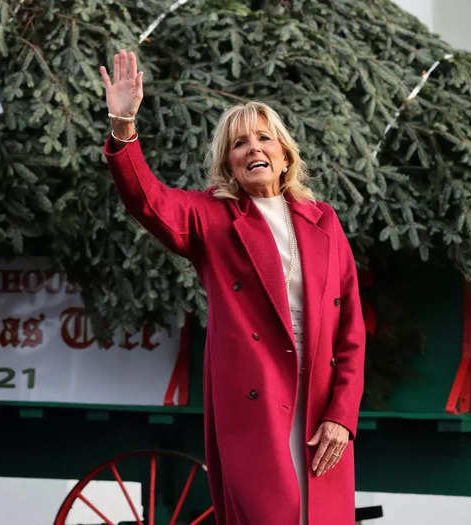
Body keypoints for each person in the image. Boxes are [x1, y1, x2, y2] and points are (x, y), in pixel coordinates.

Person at [100, 50, 365, 525]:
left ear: (285, 156)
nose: (253, 148)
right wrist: (124, 126)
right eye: (240, 143)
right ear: (229, 161)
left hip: (320, 399)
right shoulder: (213, 218)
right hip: (255, 401)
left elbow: (351, 331)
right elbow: (148, 201)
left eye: (265, 138)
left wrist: (342, 415)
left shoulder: (323, 220)